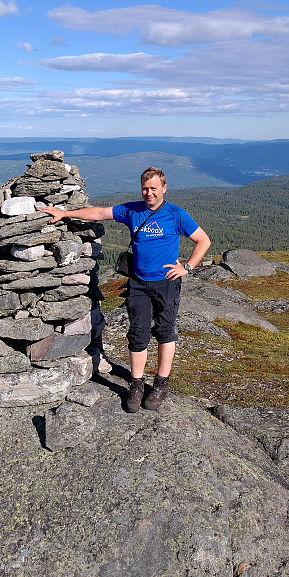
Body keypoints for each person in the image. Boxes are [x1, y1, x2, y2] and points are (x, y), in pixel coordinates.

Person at [41, 167, 211, 412]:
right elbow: (99, 213)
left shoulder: (176, 214)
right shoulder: (132, 210)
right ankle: (137, 384)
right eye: (145, 188)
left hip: (166, 282)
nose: (149, 193)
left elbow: (203, 240)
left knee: (165, 332)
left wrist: (188, 266)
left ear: (164, 188)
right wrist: (64, 213)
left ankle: (161, 383)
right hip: (138, 283)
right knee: (138, 332)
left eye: (154, 188)